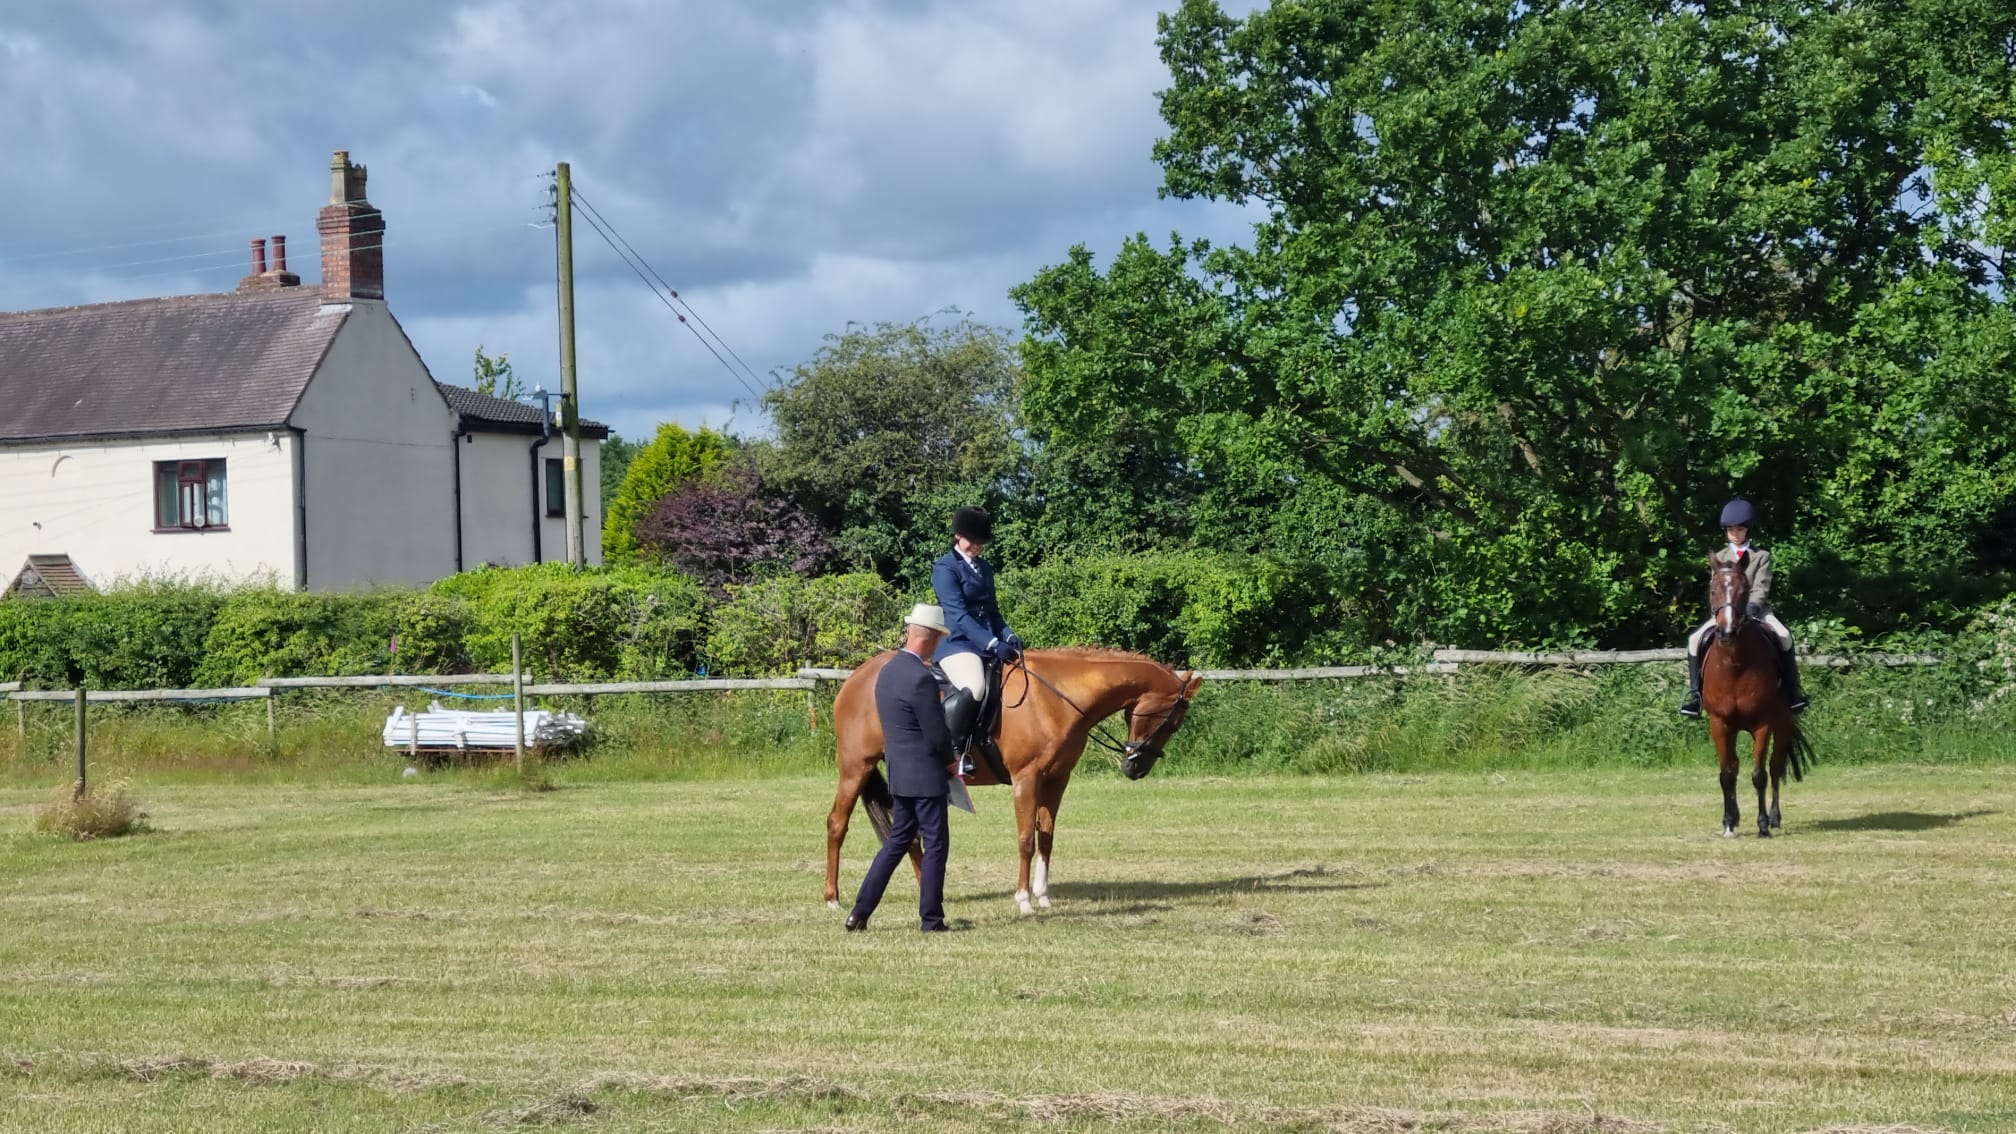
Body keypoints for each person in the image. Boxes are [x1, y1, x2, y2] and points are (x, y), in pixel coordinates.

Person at [846, 603, 957, 933]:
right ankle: (931, 920)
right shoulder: (921, 679)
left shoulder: (888, 672)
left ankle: (860, 912)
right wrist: (952, 762)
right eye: (937, 640)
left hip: (899, 774)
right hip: (926, 776)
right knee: (936, 845)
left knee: (896, 843)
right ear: (931, 638)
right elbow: (936, 733)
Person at [1679, 498, 1808, 717]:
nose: (1735, 533)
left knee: (1785, 635)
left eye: (1739, 529)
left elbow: (1761, 586)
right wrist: (1722, 612)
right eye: (1731, 529)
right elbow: (1716, 590)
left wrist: (1752, 609)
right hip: (1725, 613)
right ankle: (1695, 695)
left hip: (1756, 611)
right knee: (1694, 640)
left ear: (1747, 530)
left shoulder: (1761, 556)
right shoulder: (1719, 557)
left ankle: (1792, 692)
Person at [930, 506, 1023, 775]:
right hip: (958, 644)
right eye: (972, 540)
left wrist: (1008, 635)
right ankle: (956, 751)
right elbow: (958, 615)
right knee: (975, 686)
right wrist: (992, 644)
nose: (977, 546)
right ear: (958, 535)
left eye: (981, 542)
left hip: (986, 640)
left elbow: (992, 611)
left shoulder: (984, 568)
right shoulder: (945, 568)